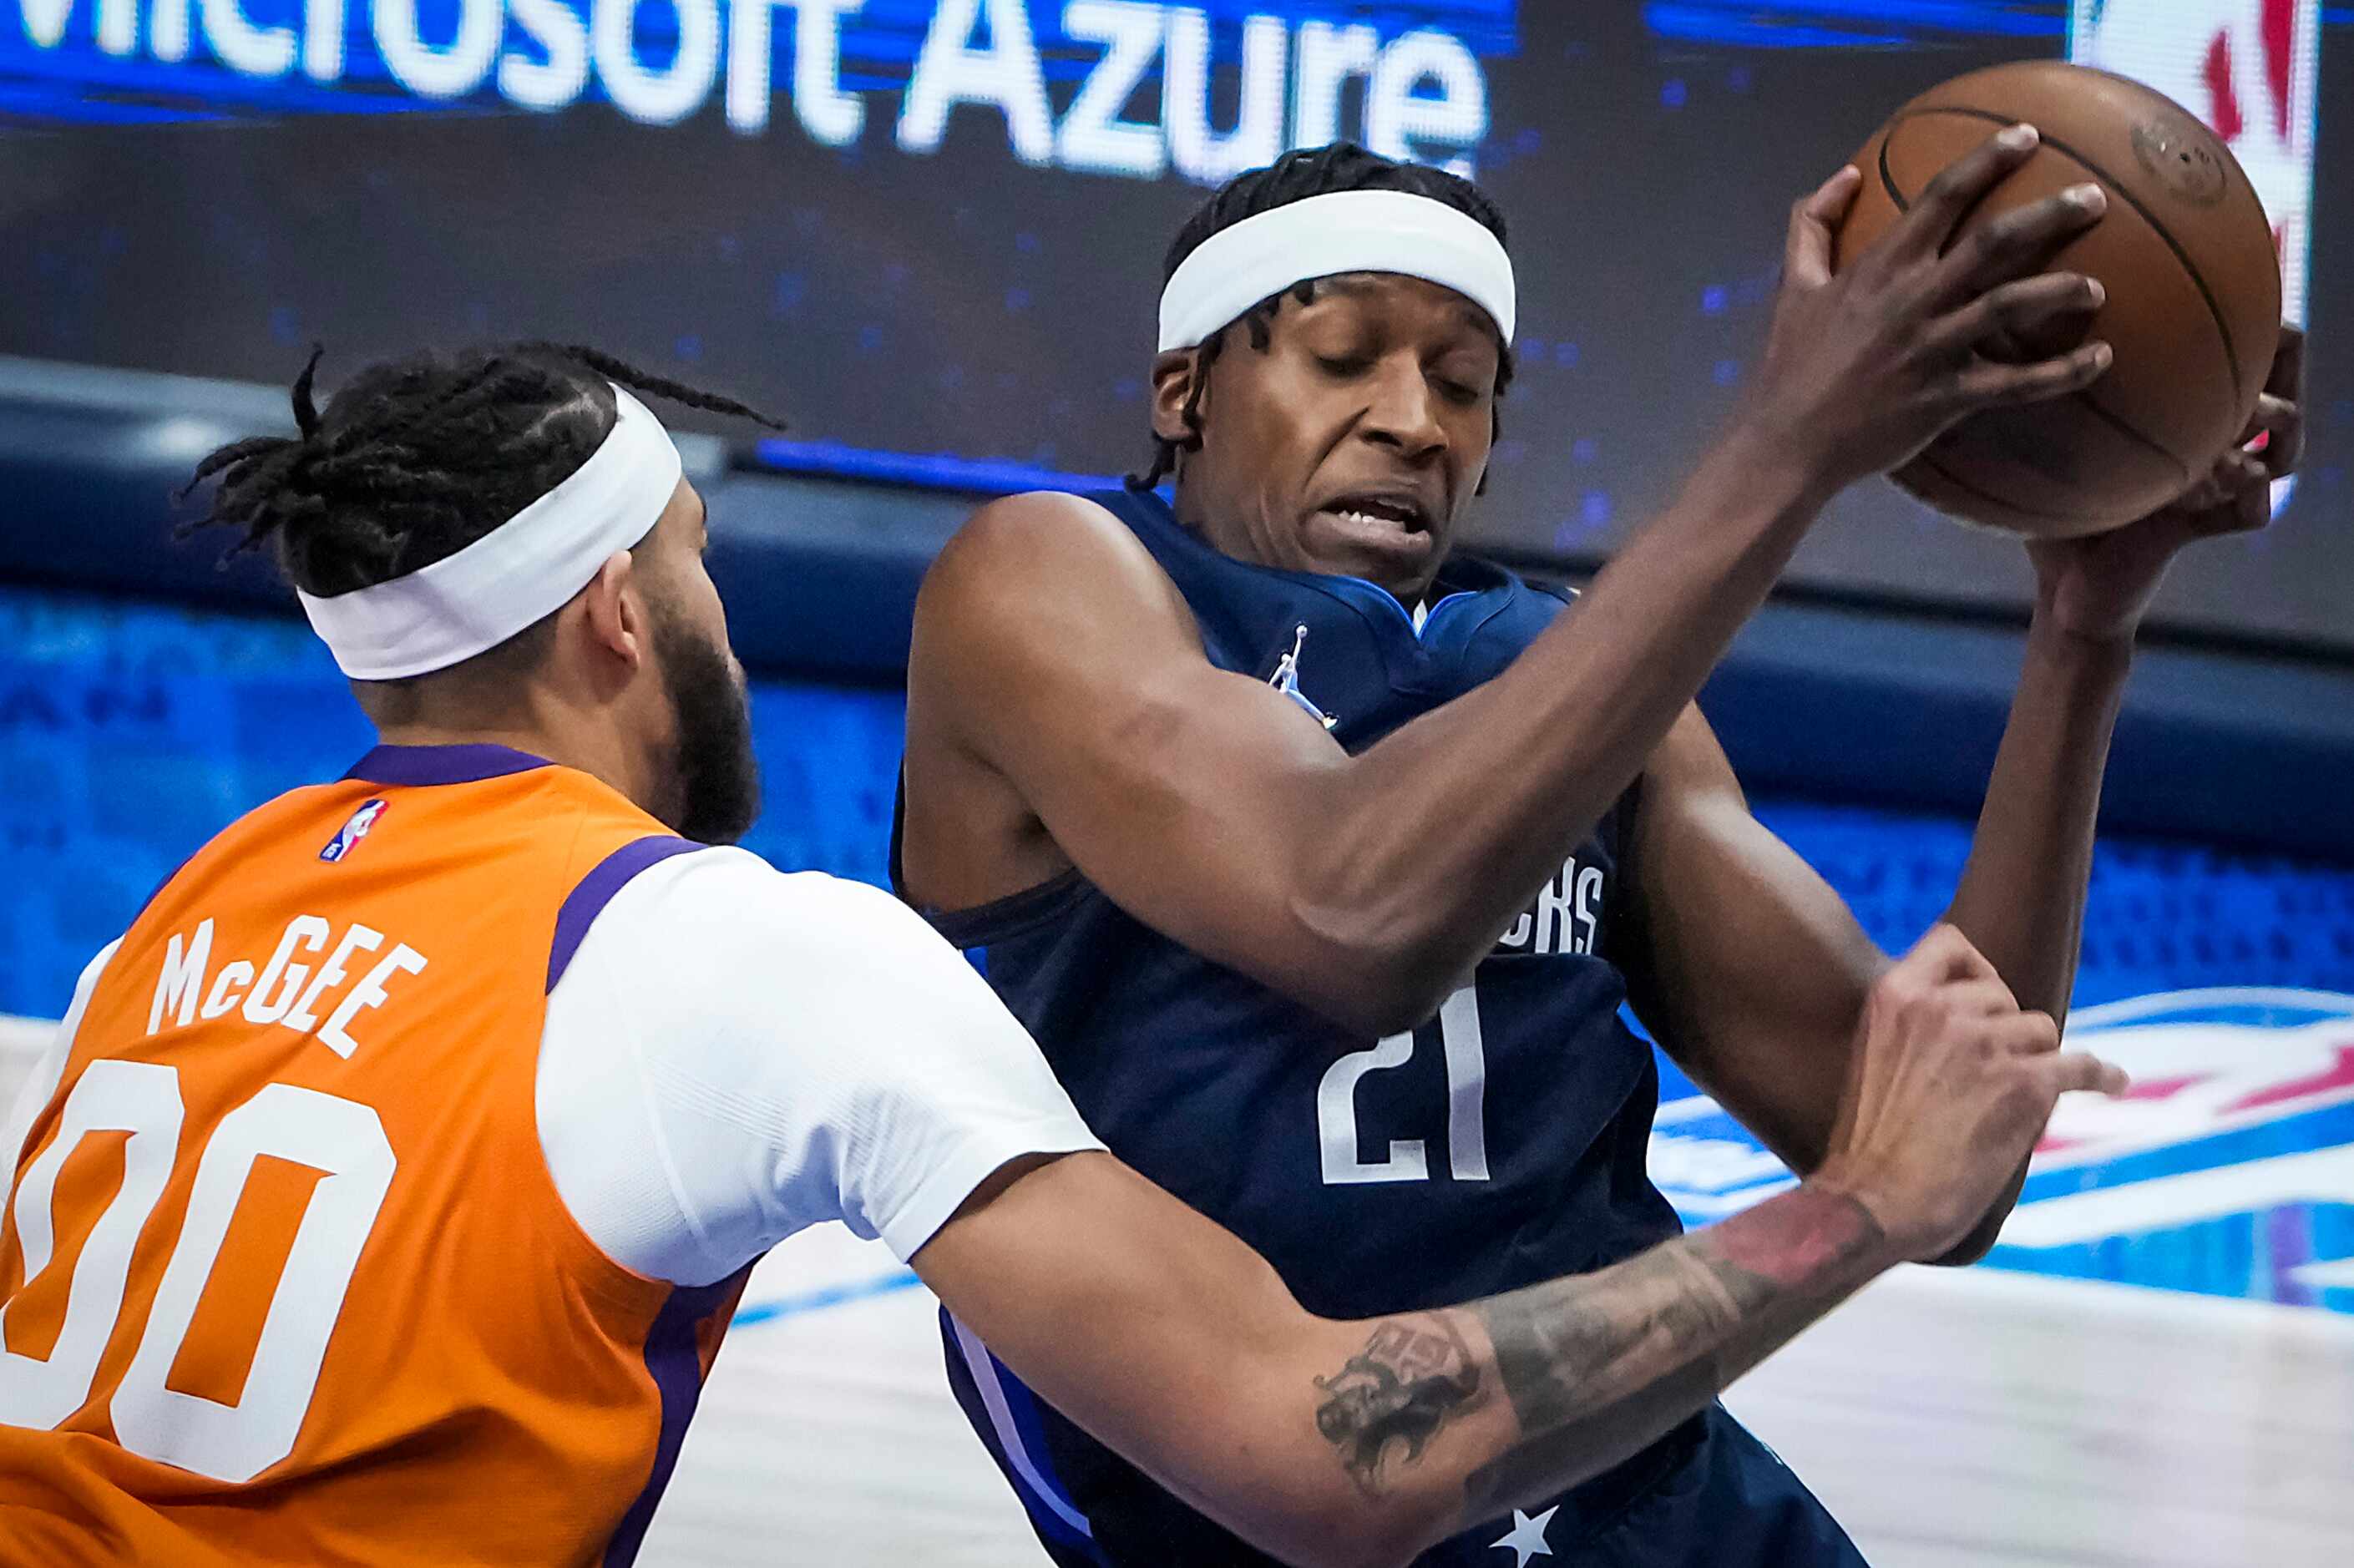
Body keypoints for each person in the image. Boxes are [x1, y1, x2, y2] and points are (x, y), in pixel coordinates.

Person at [0, 342, 2116, 1568]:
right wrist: (1844, 1213)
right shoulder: (730, 957)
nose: (723, 616)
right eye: (697, 567)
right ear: (617, 620)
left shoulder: (169, 931)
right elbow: (1320, 1452)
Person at [895, 137, 2305, 1565]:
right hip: (1267, 1512)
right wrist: (1789, 443)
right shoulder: (1048, 578)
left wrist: (2086, 628)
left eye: (1464, 383)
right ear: (1185, 388)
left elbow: (1946, 1148)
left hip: (1638, 1493)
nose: (1416, 423)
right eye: (1342, 358)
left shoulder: (1568, 665)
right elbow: (1351, 914)